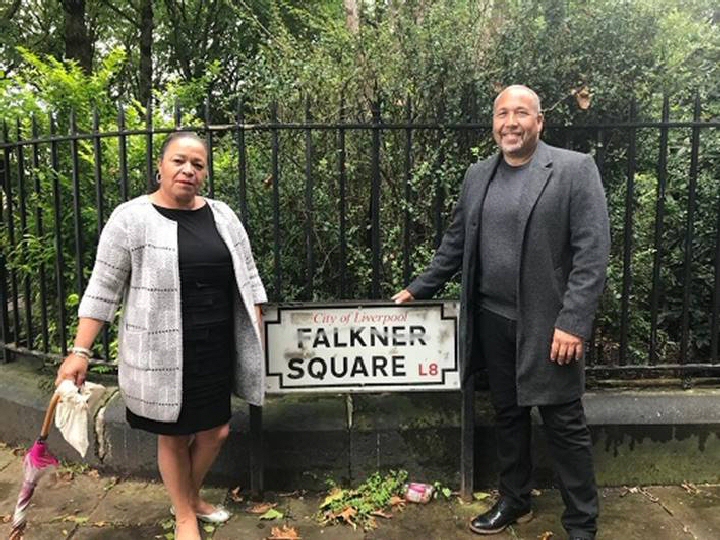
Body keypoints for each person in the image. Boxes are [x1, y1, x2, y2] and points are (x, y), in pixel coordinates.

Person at [393, 85, 609, 540]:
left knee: (563, 423)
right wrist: (419, 288)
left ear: (539, 122)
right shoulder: (478, 175)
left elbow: (592, 253)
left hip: (548, 326)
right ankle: (515, 499)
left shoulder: (573, 170)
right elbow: (456, 243)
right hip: (492, 319)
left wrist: (573, 322)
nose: (510, 122)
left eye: (521, 113)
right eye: (502, 114)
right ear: (494, 123)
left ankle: (582, 523)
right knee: (507, 415)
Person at [55, 131, 267, 540]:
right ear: (161, 165)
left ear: (205, 172)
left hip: (214, 346)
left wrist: (258, 327)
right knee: (173, 433)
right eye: (179, 161)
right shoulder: (130, 218)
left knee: (216, 431)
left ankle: (186, 498)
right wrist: (80, 350)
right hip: (160, 351)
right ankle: (186, 515)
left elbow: (250, 278)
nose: (188, 170)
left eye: (198, 164)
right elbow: (103, 288)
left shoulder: (223, 215)